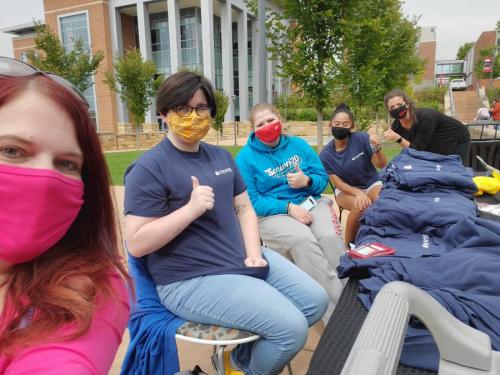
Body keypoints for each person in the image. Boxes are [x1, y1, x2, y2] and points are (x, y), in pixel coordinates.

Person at [124, 72, 328, 375]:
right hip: (190, 278)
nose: (193, 116)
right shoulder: (149, 168)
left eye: (201, 107)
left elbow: (244, 207)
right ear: (164, 114)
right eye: (182, 109)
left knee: (316, 302)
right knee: (291, 330)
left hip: (239, 258)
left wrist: (253, 252)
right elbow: (137, 243)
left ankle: (238, 361)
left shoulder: (220, 156)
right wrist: (190, 210)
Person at [0, 57, 130, 373]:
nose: (45, 178)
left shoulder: (88, 289)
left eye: (67, 163)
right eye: (12, 150)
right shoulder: (151, 168)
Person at [235, 102, 346, 322]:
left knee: (330, 238)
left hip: (310, 201)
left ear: (280, 121)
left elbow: (321, 179)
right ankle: (338, 317)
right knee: (303, 242)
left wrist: (308, 181)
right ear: (253, 129)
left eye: (271, 120)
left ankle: (352, 295)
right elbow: (251, 201)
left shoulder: (299, 145)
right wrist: (287, 208)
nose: (267, 126)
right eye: (261, 123)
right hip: (274, 213)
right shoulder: (245, 159)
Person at [319, 104, 387, 247]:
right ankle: (349, 245)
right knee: (361, 206)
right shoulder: (325, 154)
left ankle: (382, 238)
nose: (340, 127)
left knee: (385, 201)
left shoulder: (361, 138)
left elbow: (380, 164)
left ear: (352, 126)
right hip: (345, 190)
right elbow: (338, 184)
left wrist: (377, 148)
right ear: (330, 125)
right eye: (336, 124)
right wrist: (358, 193)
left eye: (345, 124)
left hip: (371, 183)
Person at [383, 89, 471, 164]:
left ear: (407, 104)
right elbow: (411, 149)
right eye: (392, 107)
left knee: (455, 169)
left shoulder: (426, 117)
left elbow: (418, 150)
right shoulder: (396, 126)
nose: (396, 108)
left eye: (399, 104)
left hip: (457, 139)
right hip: (433, 142)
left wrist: (398, 138)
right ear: (389, 111)